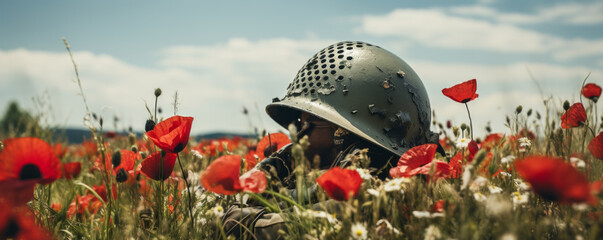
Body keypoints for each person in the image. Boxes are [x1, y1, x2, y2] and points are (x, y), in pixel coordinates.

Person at [222, 41, 440, 239]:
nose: (295, 135)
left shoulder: (373, 201)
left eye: (303, 123)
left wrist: (241, 211)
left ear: (341, 131)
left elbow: (250, 228)